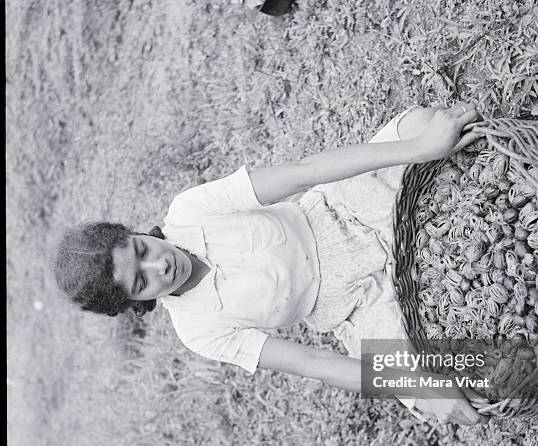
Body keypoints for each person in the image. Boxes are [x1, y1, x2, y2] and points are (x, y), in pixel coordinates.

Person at [54, 102, 489, 425]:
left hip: (343, 213)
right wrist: (415, 385)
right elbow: (312, 363)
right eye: (140, 283)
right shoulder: (199, 331)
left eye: (142, 251)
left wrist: (418, 147)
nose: (159, 267)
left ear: (135, 233)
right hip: (353, 305)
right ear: (134, 303)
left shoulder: (189, 210)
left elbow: (307, 171)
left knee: (420, 128)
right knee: (452, 383)